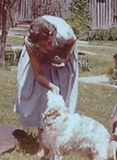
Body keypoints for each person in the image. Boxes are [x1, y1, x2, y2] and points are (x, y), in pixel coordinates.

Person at [14, 15, 78, 158]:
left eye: (49, 43)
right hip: (40, 59)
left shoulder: (64, 33)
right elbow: (37, 74)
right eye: (43, 45)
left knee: (62, 101)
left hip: (63, 51)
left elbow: (73, 41)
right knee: (42, 99)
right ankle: (42, 146)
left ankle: (60, 143)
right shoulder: (31, 44)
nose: (47, 47)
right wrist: (51, 86)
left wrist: (65, 58)